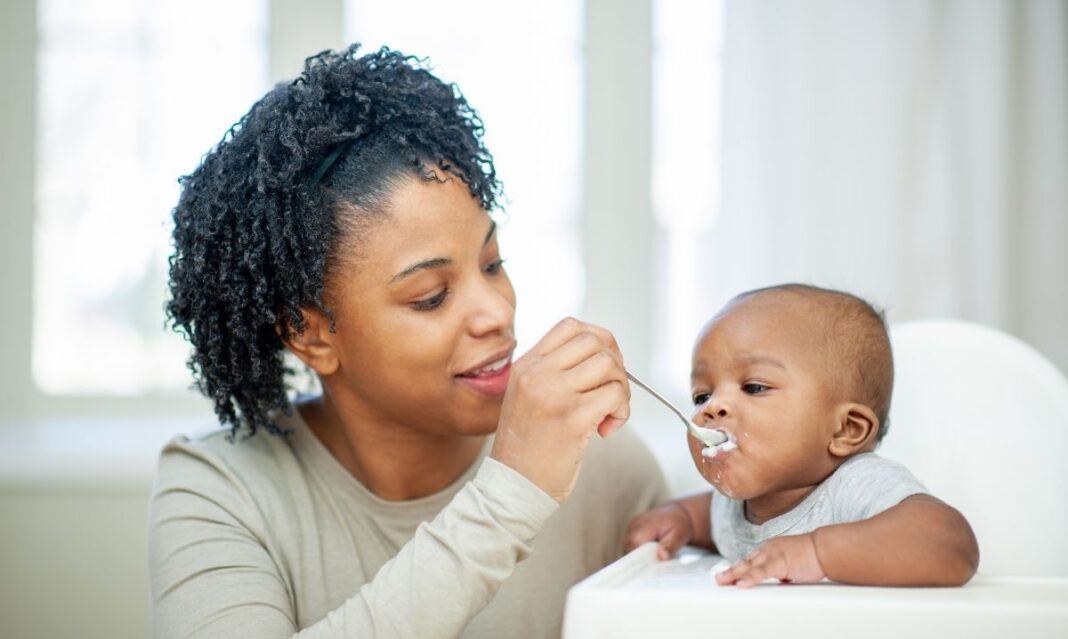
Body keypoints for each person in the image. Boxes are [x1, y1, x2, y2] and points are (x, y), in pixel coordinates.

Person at [150, 45, 667, 638]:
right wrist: (511, 495)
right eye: (430, 296)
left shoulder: (604, 468)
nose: (497, 312)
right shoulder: (220, 490)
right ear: (311, 336)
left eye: (493, 263)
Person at [624, 284, 979, 587]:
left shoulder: (856, 486)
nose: (712, 407)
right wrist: (677, 520)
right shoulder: (732, 507)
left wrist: (817, 553)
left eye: (754, 387)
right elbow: (703, 515)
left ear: (845, 430)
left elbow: (952, 544)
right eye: (702, 395)